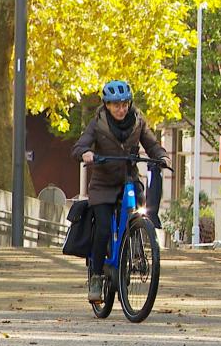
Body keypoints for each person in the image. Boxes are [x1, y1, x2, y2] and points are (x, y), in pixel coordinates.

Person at [71, 80, 169, 303]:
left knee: (140, 212)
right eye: (116, 105)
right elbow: (80, 146)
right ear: (106, 105)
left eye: (124, 104)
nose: (121, 109)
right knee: (103, 227)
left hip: (129, 179)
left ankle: (136, 247)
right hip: (103, 183)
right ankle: (96, 276)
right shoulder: (97, 124)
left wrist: (162, 156)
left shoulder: (138, 121)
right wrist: (86, 153)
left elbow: (152, 144)